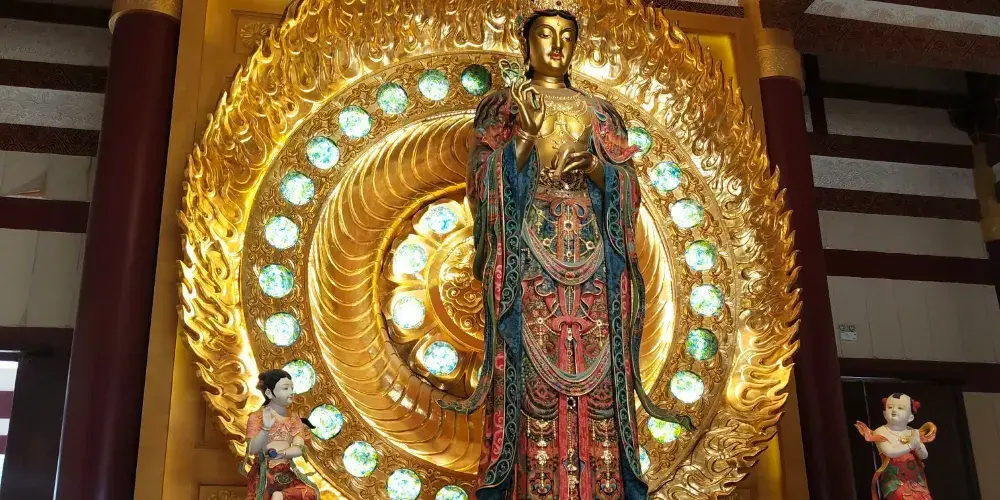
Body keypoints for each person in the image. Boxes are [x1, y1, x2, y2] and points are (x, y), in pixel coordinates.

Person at [439, 1, 691, 498]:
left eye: (567, 35)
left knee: (601, 380)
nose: (557, 46)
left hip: (594, 261)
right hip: (530, 258)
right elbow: (483, 184)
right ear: (525, 42)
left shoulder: (599, 112)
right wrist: (526, 137)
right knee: (528, 373)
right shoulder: (504, 107)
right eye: (545, 34)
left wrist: (596, 170)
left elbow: (627, 188)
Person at [243, 369, 320, 500]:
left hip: (285, 471)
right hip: (263, 473)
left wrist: (282, 454)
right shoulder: (257, 417)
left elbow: (299, 449)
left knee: (310, 493)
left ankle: (280, 496)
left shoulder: (294, 418)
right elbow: (253, 449)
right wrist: (266, 428)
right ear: (269, 393)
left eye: (292, 388)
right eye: (285, 388)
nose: (291, 392)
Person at [855, 393, 936, 500]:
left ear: (910, 417)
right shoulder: (881, 431)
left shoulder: (913, 432)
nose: (894, 410)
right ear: (884, 413)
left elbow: (924, 455)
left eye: (900, 408)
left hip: (915, 479)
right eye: (890, 407)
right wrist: (910, 445)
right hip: (895, 480)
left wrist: (918, 446)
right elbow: (889, 452)